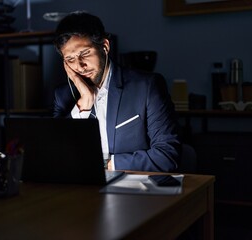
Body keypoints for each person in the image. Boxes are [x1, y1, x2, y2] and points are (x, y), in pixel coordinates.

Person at [53, 11, 181, 172]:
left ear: (105, 47)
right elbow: (56, 156)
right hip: (81, 190)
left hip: (133, 188)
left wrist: (105, 166)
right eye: (70, 59)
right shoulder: (63, 96)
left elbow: (167, 155)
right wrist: (83, 105)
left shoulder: (147, 86)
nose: (79, 65)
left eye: (85, 54)